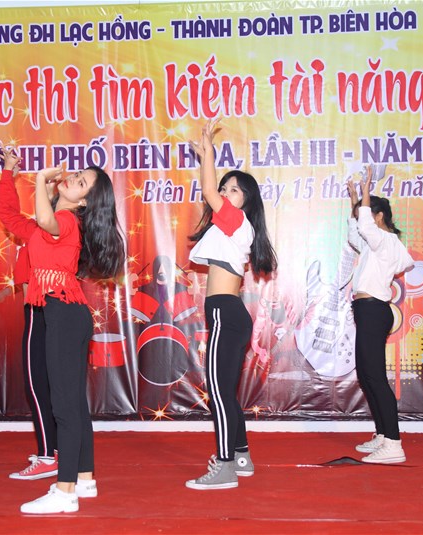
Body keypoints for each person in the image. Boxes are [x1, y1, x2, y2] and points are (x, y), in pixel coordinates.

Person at [14, 160, 124, 514]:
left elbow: (46, 221)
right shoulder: (66, 218)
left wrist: (38, 180)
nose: (73, 179)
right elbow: (35, 222)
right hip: (68, 315)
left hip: (64, 316)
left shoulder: (65, 220)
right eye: (77, 175)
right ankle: (85, 478)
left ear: (84, 202)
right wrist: (46, 191)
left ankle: (65, 492)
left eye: (81, 182)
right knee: (74, 403)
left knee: (64, 406)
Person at [184, 119, 276, 490]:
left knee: (219, 393)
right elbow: (210, 191)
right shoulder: (227, 227)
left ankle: (224, 467)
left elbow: (207, 189)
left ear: (246, 200)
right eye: (225, 188)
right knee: (224, 391)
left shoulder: (238, 222)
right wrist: (208, 161)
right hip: (226, 313)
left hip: (225, 312)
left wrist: (208, 152)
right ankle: (240, 456)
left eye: (233, 189)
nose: (224, 192)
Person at [0, 143, 58, 479]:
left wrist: (10, 173)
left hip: (41, 309)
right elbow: (9, 214)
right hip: (56, 311)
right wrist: (9, 173)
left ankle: (48, 456)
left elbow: (8, 214)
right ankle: (56, 451)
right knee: (53, 385)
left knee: (38, 385)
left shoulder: (45, 231)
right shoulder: (60, 230)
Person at [346, 168, 414, 464]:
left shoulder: (386, 241)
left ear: (380, 216)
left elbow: (365, 227)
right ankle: (384, 435)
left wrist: (365, 190)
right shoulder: (376, 245)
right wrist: (354, 199)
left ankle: (394, 444)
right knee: (366, 374)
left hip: (374, 310)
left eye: (366, 211)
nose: (363, 218)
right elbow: (355, 234)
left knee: (374, 376)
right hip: (368, 310)